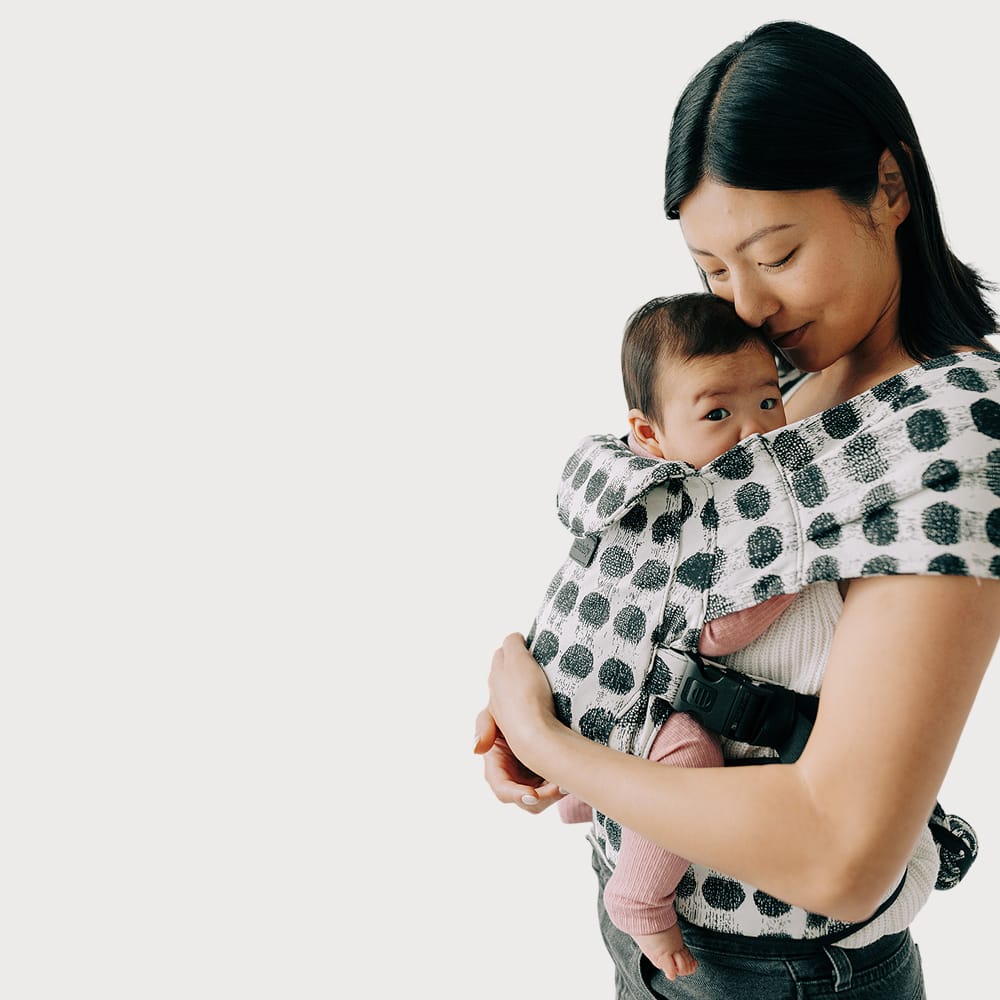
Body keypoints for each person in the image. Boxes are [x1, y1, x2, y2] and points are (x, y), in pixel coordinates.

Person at [475, 19, 1000, 1000]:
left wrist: (556, 745)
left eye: (777, 253)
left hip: (785, 971)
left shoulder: (952, 429)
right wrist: (567, 695)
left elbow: (840, 854)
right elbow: (664, 578)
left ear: (889, 188)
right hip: (660, 928)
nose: (747, 305)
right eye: (714, 270)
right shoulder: (783, 378)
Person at [537, 292, 795, 981]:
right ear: (648, 435)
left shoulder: (617, 478)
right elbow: (710, 632)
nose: (755, 432)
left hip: (573, 679)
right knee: (691, 757)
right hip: (604, 686)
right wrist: (792, 579)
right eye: (718, 414)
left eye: (768, 401)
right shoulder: (692, 506)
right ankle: (640, 898)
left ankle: (587, 793)